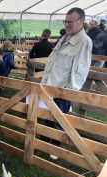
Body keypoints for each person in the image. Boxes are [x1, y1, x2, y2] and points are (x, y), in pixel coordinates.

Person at [40, 7, 92, 160]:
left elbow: (80, 70)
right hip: (49, 85)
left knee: (60, 119)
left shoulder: (84, 42)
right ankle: (43, 141)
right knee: (47, 115)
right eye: (66, 21)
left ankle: (55, 147)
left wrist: (69, 91)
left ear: (81, 21)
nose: (67, 25)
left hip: (62, 89)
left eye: (71, 22)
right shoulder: (64, 38)